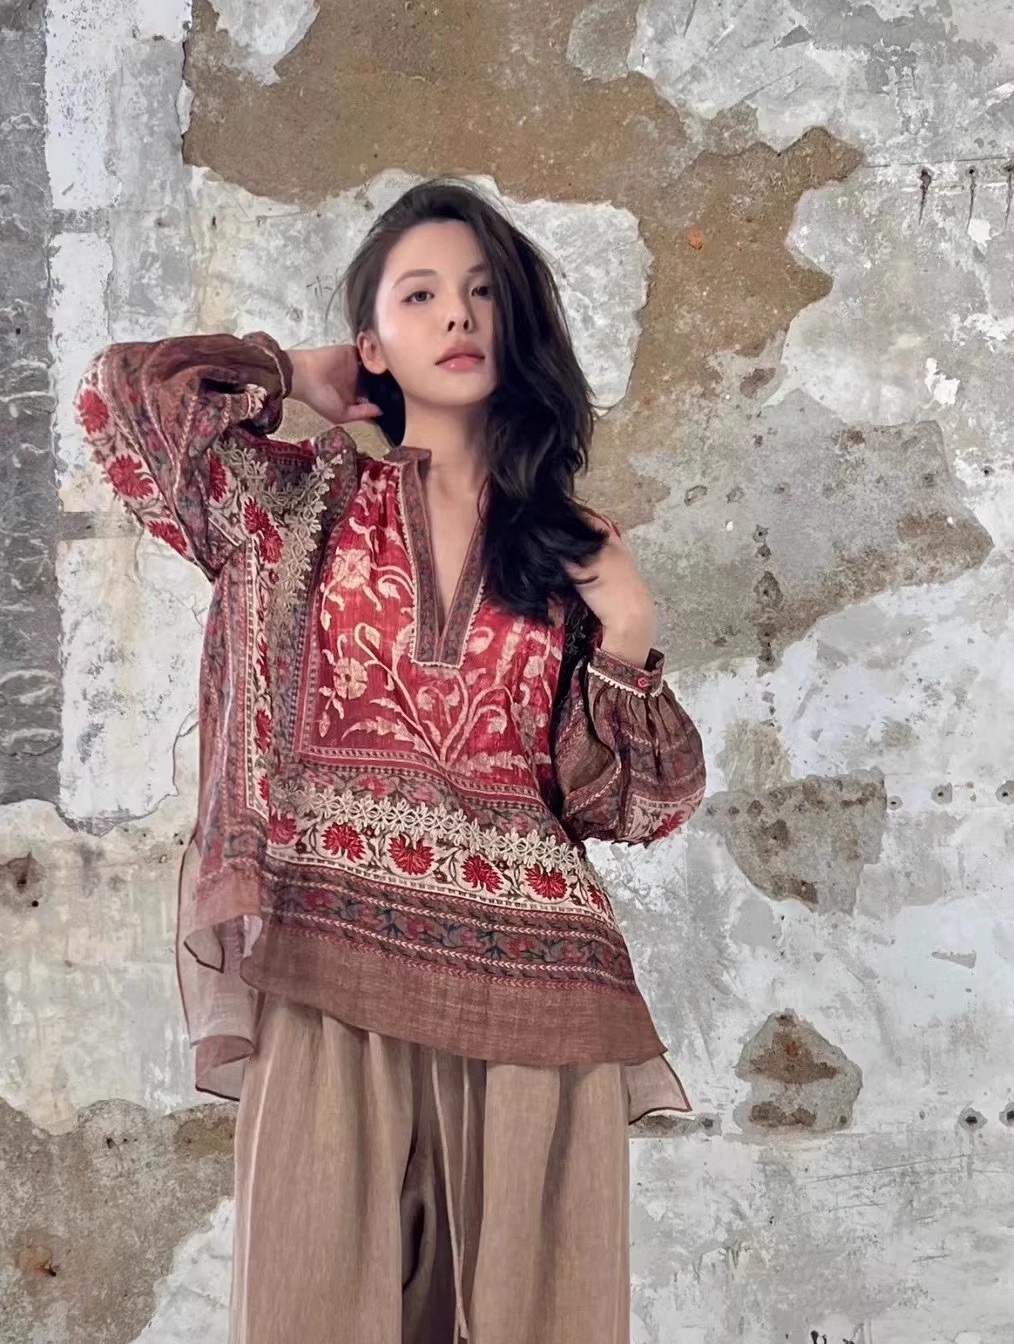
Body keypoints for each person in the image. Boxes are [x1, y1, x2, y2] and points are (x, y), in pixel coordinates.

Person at [76, 177, 706, 1344]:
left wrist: (625, 637)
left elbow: (632, 805)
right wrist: (293, 373)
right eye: (419, 296)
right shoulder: (292, 506)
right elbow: (120, 399)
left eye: (482, 293)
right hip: (331, 967)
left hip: (541, 993)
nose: (457, 315)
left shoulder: (571, 547)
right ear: (373, 340)